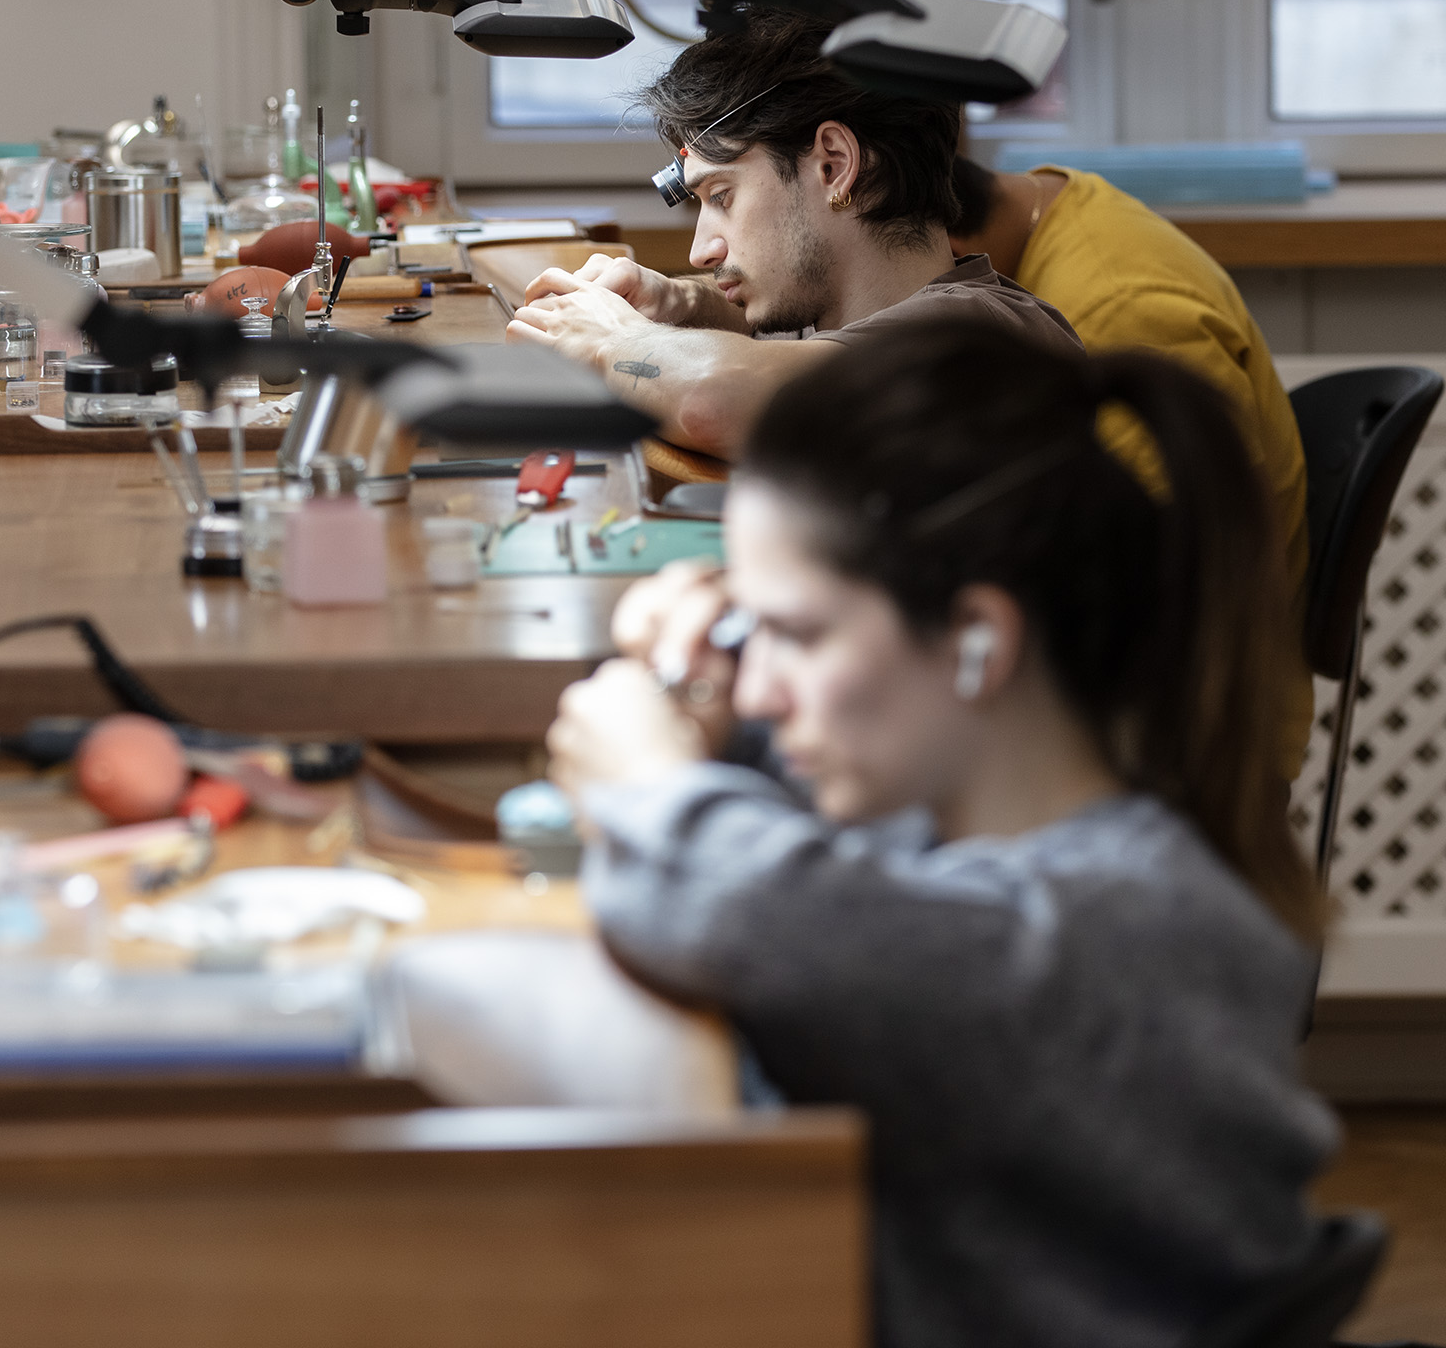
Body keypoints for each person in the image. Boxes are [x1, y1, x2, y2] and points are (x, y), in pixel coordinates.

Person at [548, 319, 1335, 1348]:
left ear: (977, 638)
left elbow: (761, 905)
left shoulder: (1110, 929)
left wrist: (654, 776)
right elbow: (841, 872)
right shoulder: (980, 837)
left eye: (797, 633)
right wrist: (706, 704)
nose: (763, 684)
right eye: (752, 630)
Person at [506, 12, 1077, 457]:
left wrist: (609, 340)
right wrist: (673, 299)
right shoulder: (835, 322)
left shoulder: (990, 339)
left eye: (723, 197)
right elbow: (781, 346)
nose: (701, 249)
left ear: (833, 165)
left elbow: (712, 398)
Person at [950, 155, 1317, 772]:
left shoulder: (1113, 309)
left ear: (951, 252)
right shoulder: (1059, 206)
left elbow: (1154, 600)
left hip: (1190, 752)